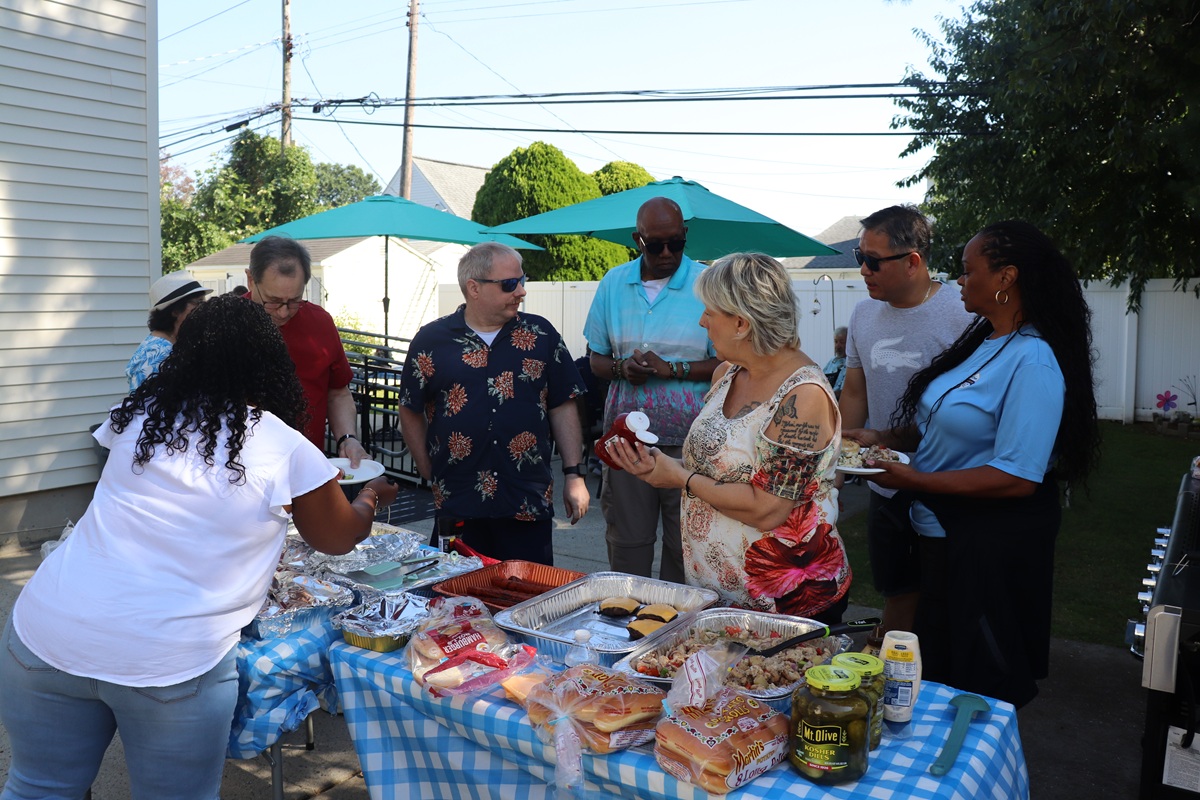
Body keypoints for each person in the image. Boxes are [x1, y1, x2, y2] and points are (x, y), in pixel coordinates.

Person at [0, 296, 399, 799]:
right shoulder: (281, 443)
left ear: (182, 354)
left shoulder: (140, 415)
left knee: (38, 789)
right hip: (169, 660)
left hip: (44, 632)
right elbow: (337, 538)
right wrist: (369, 497)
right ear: (269, 360)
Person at [847, 220, 1100, 707]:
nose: (960, 280)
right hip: (937, 535)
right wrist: (882, 436)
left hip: (979, 549)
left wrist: (915, 479)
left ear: (1006, 277)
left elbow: (1018, 476)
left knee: (969, 680)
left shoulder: (1034, 361)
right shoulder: (986, 340)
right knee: (931, 669)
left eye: (969, 271)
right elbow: (948, 422)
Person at [603, 253, 851, 623]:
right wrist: (662, 466)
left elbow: (767, 509)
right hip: (718, 593)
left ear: (741, 323)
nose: (701, 321)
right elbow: (722, 468)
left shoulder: (804, 397)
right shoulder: (727, 373)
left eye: (709, 312)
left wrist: (679, 478)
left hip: (783, 605)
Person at [397, 242, 589, 565]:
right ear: (474, 288)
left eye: (521, 280)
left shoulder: (541, 335)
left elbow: (563, 404)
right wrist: (427, 467)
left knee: (527, 607)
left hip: (526, 504)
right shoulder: (431, 341)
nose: (522, 291)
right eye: (509, 284)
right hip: (459, 507)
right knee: (455, 607)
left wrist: (574, 474)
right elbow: (409, 408)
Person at [838, 205, 975, 643]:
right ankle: (893, 664)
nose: (863, 269)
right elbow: (855, 392)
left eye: (873, 260)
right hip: (884, 480)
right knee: (897, 587)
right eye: (859, 256)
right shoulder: (862, 315)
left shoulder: (964, 313)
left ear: (913, 260)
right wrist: (836, 464)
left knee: (949, 597)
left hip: (948, 481)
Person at [583, 197, 720, 582]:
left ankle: (678, 632)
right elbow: (595, 360)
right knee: (628, 544)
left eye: (675, 243)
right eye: (655, 244)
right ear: (636, 240)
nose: (666, 253)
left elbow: (729, 362)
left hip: (692, 443)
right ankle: (628, 624)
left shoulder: (706, 284)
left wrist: (671, 368)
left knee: (685, 546)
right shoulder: (613, 283)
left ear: (685, 236)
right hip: (627, 442)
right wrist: (620, 368)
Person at [244, 236, 368, 468]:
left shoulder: (320, 322)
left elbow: (338, 392)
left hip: (308, 469)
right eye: (272, 301)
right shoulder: (223, 326)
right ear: (251, 280)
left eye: (294, 301)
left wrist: (348, 439)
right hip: (243, 473)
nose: (283, 312)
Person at [125, 271, 212, 392]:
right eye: (198, 302)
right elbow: (148, 408)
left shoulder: (174, 344)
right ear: (175, 310)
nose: (204, 308)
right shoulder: (155, 355)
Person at [822, 326, 848, 398]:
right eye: (836, 341)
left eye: (842, 342)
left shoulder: (852, 364)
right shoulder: (832, 362)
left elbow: (846, 392)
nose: (838, 346)